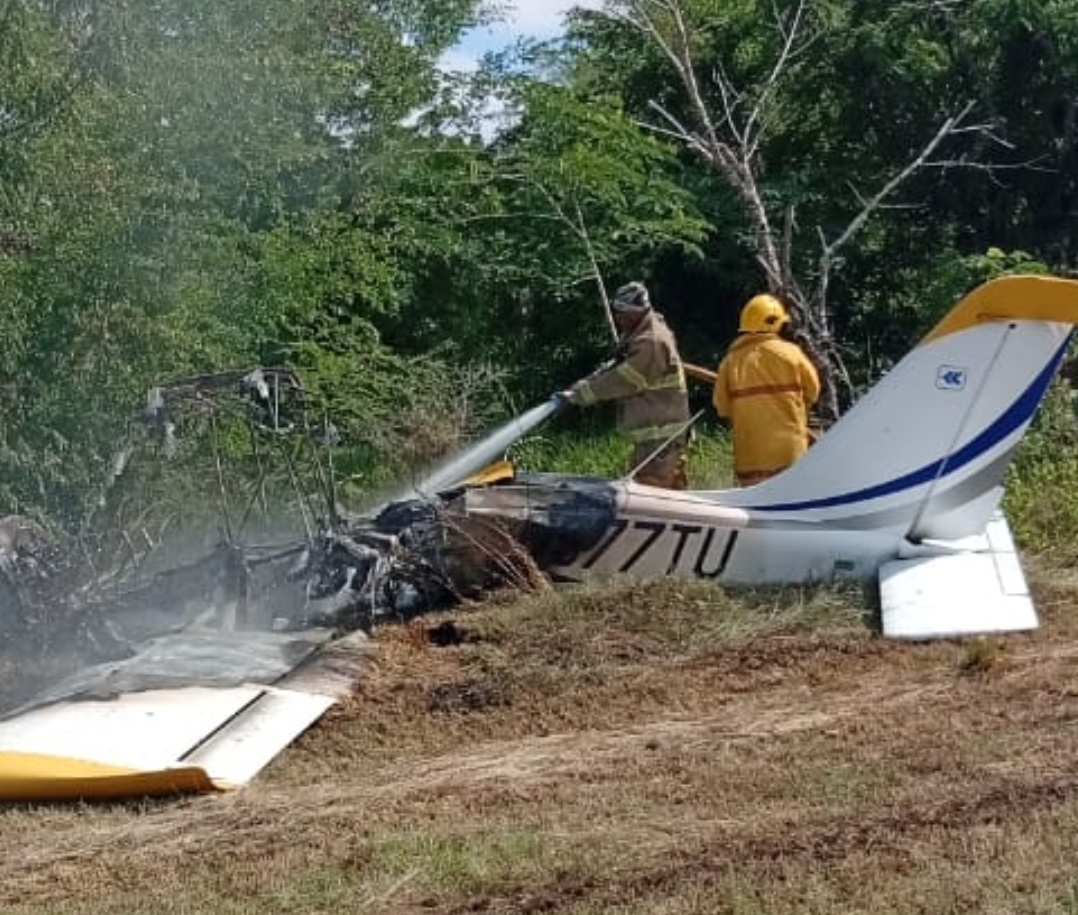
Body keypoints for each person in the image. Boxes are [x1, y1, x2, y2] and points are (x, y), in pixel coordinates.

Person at [561, 281, 690, 489]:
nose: (618, 317)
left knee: (652, 496)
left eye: (622, 312)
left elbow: (624, 380)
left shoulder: (651, 342)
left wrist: (580, 395)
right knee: (661, 493)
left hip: (661, 441)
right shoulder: (641, 334)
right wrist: (585, 384)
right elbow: (617, 369)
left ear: (636, 312)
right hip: (655, 440)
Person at [713, 293, 820, 486]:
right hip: (790, 456)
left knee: (757, 504)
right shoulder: (792, 354)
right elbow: (813, 390)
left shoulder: (730, 362)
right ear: (774, 323)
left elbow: (722, 407)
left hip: (750, 461)